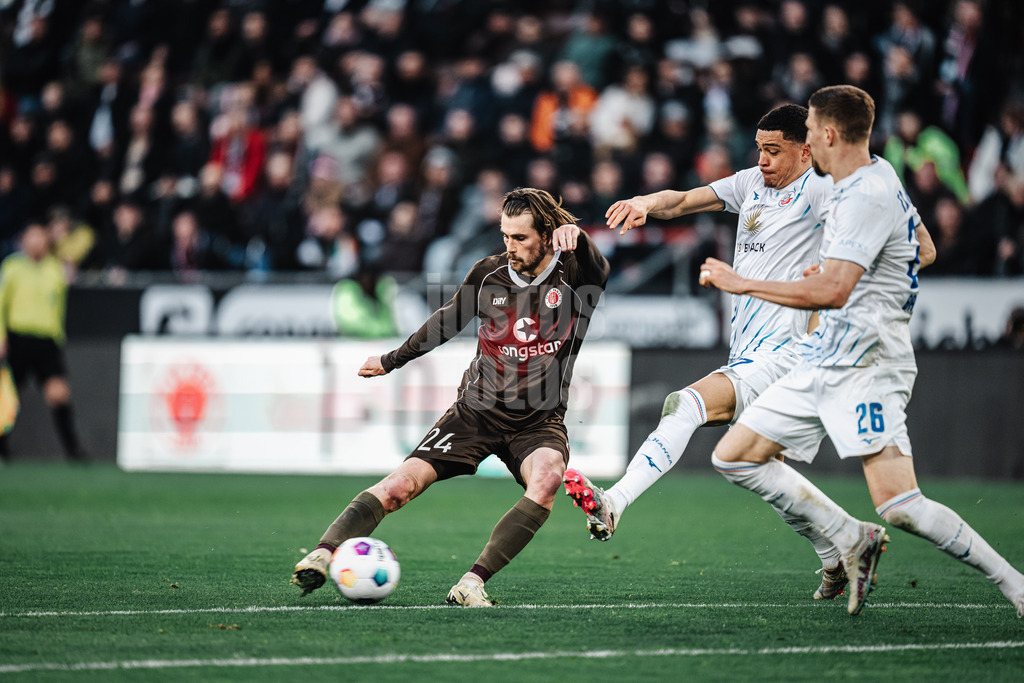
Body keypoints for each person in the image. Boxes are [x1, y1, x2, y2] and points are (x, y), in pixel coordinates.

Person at [702, 85, 1024, 617]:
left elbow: (833, 292)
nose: (806, 144)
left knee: (902, 506)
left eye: (808, 134)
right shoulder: (878, 176)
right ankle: (850, 538)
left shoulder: (864, 195)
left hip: (869, 365)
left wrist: (743, 283)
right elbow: (924, 247)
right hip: (826, 354)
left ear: (828, 134)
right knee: (734, 456)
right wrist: (852, 268)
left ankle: (1015, 584)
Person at [562, 104, 884, 601]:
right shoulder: (751, 184)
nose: (763, 160)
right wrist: (646, 202)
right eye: (758, 148)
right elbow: (686, 199)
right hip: (749, 352)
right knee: (758, 467)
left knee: (684, 403)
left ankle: (616, 501)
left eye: (774, 151)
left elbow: (872, 234)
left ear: (806, 150)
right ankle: (837, 549)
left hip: (788, 353)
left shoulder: (822, 190)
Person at [291, 188, 609, 606]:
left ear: (548, 235)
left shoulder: (574, 276)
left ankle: (472, 582)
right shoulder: (488, 275)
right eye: (505, 236)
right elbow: (446, 321)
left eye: (520, 238)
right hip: (475, 412)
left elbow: (599, 266)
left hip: (538, 421)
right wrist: (391, 360)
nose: (510, 247)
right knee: (399, 487)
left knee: (547, 480)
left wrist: (579, 236)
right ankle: (323, 552)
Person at [0, 222, 86, 462]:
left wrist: (62, 242)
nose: (36, 242)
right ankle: (2, 447)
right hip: (18, 337)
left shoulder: (56, 268)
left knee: (59, 394)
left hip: (47, 340)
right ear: (23, 240)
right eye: (32, 237)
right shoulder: (12, 268)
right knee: (8, 398)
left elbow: (73, 272)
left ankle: (72, 449)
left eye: (41, 237)